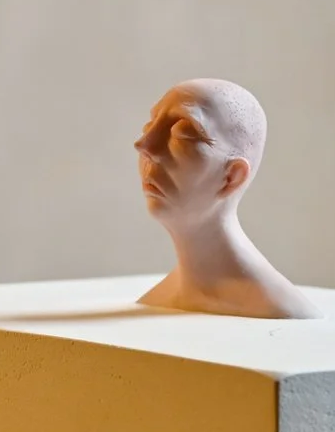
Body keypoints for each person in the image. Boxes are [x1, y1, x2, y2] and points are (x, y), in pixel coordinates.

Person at [134, 78, 317, 319]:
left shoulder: (274, 308)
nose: (144, 145)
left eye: (183, 134)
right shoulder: (158, 300)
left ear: (231, 176)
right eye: (150, 127)